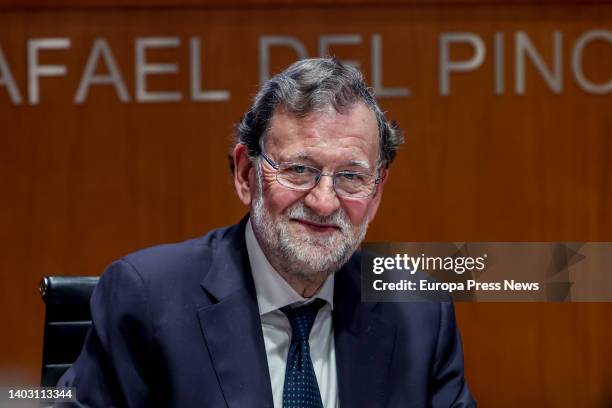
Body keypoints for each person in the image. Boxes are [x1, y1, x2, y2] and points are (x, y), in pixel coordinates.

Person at [58, 58, 475, 407]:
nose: (324, 202)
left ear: (377, 190)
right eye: (298, 170)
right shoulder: (146, 299)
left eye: (351, 176)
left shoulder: (419, 308)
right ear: (245, 174)